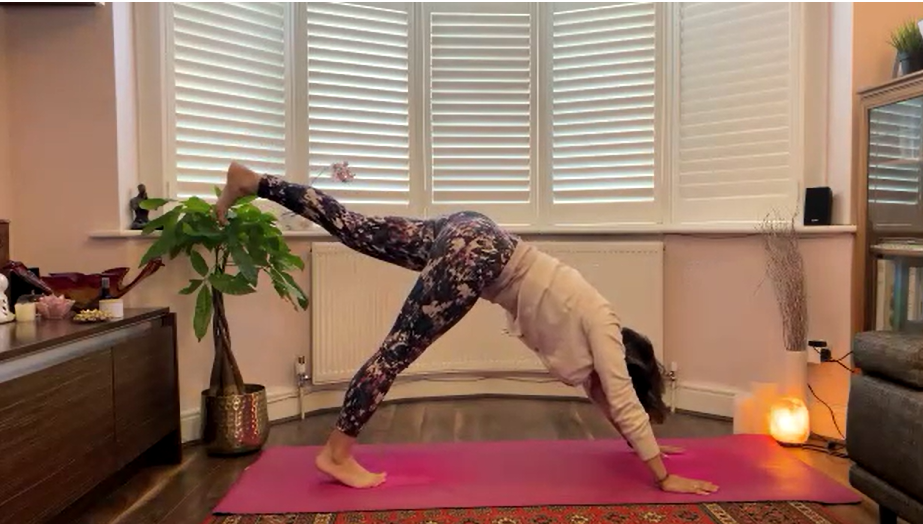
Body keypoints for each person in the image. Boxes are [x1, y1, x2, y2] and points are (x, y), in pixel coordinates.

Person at [215, 162, 719, 496]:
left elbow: (611, 399)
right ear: (626, 366)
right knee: (395, 353)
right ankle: (336, 453)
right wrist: (663, 476)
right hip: (477, 257)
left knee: (355, 227)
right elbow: (621, 397)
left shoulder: (595, 326)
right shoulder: (604, 329)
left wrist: (642, 445)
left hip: (473, 229)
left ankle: (254, 182)